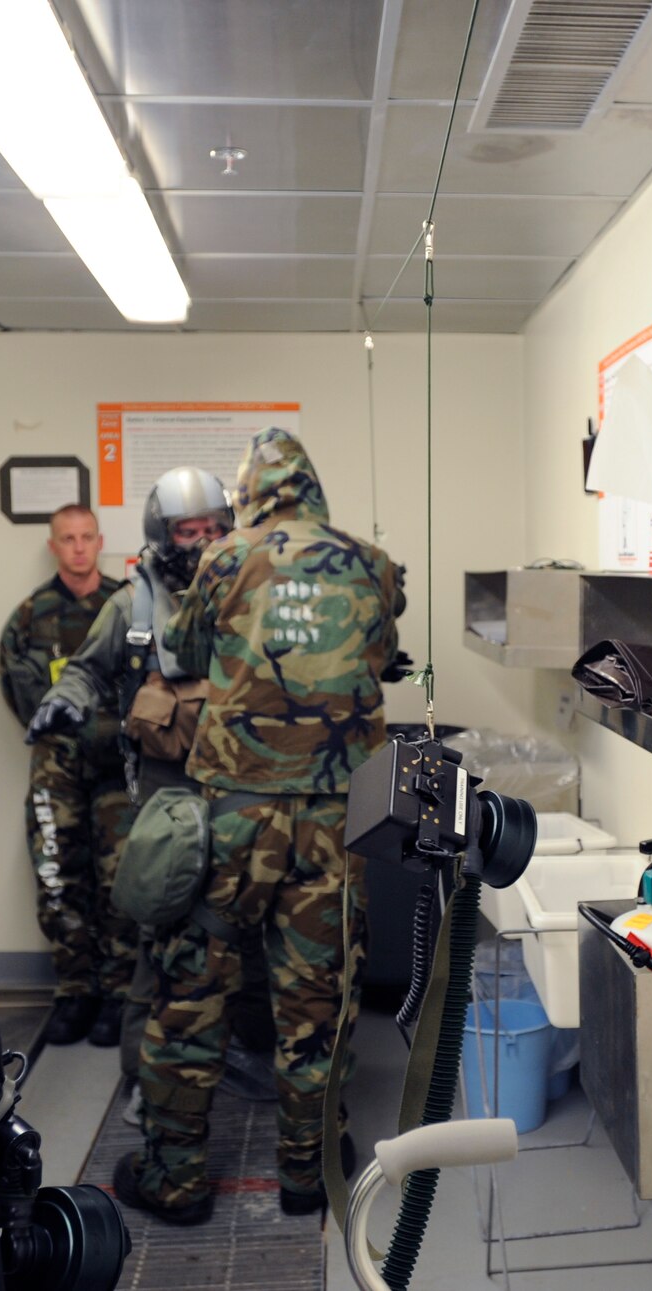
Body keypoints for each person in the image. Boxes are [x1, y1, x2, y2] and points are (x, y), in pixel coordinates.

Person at [110, 427, 406, 1224]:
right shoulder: (370, 562)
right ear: (312, 487)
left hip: (233, 810)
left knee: (192, 987)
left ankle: (175, 1178)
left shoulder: (223, 557)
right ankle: (309, 1172)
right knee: (317, 998)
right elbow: (383, 651)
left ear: (248, 493)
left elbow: (185, 650)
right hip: (335, 814)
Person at [28, 468, 276, 1096]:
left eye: (213, 529)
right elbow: (87, 670)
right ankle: (141, 1074)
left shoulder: (259, 595)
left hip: (245, 787)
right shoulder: (131, 606)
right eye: (187, 531)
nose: (202, 542)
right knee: (158, 925)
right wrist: (64, 699)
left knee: (249, 922)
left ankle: (254, 1053)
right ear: (162, 535)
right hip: (170, 794)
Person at [0, 504, 135, 1047]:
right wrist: (65, 734)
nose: (78, 547)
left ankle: (120, 993)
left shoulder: (127, 604)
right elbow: (16, 688)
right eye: (67, 539)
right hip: (58, 765)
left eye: (86, 537)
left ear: (99, 542)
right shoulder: (31, 616)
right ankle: (76, 990)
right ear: (54, 546)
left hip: (121, 764)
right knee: (58, 874)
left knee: (122, 875)